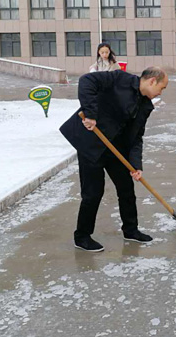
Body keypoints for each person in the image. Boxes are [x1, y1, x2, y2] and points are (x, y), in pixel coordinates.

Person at [59, 67, 169, 252]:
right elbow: (87, 81)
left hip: (116, 149)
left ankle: (131, 230)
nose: (160, 92)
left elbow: (136, 136)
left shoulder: (145, 105)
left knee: (126, 189)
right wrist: (91, 114)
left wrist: (135, 164)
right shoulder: (119, 79)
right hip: (92, 143)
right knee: (93, 192)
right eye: (162, 87)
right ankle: (82, 236)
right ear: (152, 81)